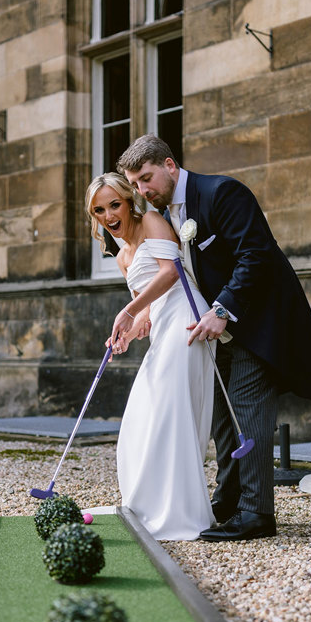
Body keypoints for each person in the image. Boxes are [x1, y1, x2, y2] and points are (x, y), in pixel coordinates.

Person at [117, 134, 311, 542]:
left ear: (169, 165)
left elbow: (255, 253)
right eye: (134, 185)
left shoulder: (222, 192)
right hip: (213, 330)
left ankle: (257, 514)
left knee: (248, 410)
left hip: (259, 323)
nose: (142, 191)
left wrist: (221, 310)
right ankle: (228, 499)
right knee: (221, 416)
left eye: (146, 178)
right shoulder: (167, 215)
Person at [85, 172, 215, 541]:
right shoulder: (121, 255)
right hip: (163, 327)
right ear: (94, 216)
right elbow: (148, 306)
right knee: (143, 416)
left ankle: (182, 515)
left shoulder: (152, 221)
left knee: (169, 413)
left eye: (115, 204)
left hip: (189, 320)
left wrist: (129, 309)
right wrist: (131, 328)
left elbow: (171, 274)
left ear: (128, 202)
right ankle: (149, 506)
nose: (110, 214)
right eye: (100, 209)